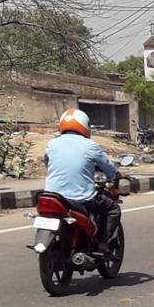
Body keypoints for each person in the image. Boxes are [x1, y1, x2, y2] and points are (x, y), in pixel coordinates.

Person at [42, 108, 121, 252]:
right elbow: (109, 169)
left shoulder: (51, 144)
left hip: (53, 196)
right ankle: (103, 244)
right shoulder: (90, 146)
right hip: (81, 198)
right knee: (113, 209)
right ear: (85, 125)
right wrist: (115, 176)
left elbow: (47, 162)